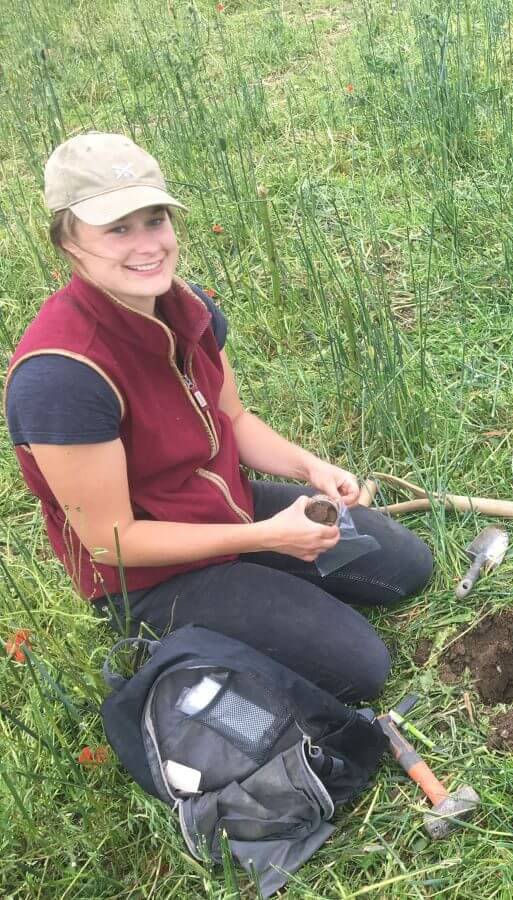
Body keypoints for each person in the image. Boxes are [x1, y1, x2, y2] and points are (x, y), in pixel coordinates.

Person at [4, 133, 433, 702]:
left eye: (154, 219)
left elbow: (233, 416)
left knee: (407, 567)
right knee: (362, 666)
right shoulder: (63, 375)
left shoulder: (189, 307)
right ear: (68, 243)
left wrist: (311, 468)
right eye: (117, 229)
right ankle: (182, 630)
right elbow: (112, 541)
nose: (146, 245)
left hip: (224, 505)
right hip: (150, 578)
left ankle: (263, 581)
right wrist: (266, 537)